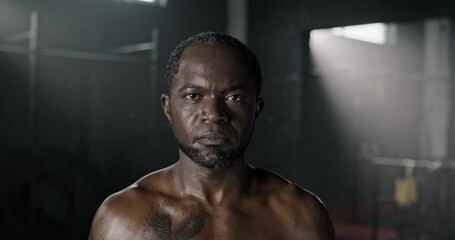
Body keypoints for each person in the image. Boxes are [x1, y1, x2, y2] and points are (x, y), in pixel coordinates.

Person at [88, 31, 335, 240]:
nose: (214, 114)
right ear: (168, 108)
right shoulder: (121, 217)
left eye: (234, 98)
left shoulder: (302, 216)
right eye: (193, 96)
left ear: (255, 110)